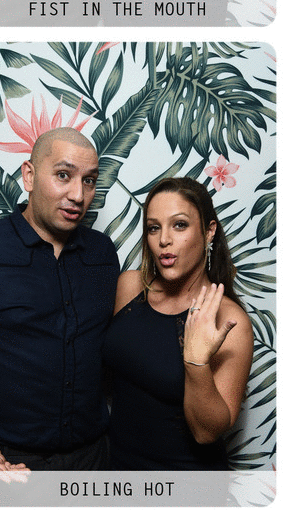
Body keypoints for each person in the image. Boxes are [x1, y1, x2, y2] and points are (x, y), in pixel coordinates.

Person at [0, 127, 119, 472]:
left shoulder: (103, 254)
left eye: (89, 181)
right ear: (29, 176)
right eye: (63, 175)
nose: (78, 194)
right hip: (2, 461)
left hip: (91, 460)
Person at [103, 177, 253, 470]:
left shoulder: (229, 320)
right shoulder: (131, 286)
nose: (164, 240)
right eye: (154, 228)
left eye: (180, 225)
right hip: (120, 471)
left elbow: (206, 433)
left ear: (209, 231)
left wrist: (196, 361)